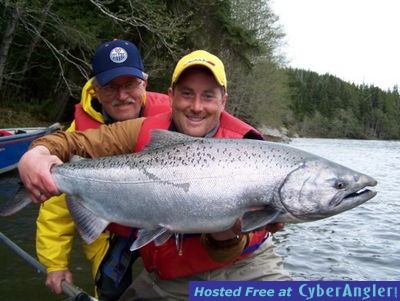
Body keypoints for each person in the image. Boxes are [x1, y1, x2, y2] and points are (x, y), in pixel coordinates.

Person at [19, 50, 291, 301]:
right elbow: (76, 141)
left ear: (223, 101)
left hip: (247, 266)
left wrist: (228, 235)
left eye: (208, 96)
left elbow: (232, 247)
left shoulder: (251, 148)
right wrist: (38, 152)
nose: (196, 106)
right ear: (171, 96)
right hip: (170, 272)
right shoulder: (141, 128)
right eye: (187, 94)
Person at [35, 39, 170, 300]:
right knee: (111, 291)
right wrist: (56, 263)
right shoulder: (76, 137)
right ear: (95, 90)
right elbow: (56, 206)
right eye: (110, 87)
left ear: (145, 83)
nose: (122, 96)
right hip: (111, 228)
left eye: (130, 85)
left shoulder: (175, 115)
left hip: (168, 219)